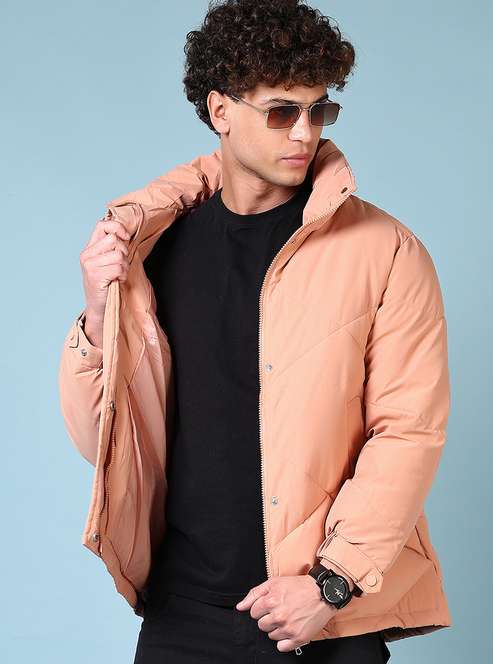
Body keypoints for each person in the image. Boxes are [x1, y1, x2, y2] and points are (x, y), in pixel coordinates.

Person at [59, 1, 451, 662]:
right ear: (220, 111)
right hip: (184, 609)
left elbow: (407, 431)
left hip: (323, 616)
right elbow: (101, 440)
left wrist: (330, 585)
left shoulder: (386, 251)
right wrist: (99, 315)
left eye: (319, 111)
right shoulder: (152, 250)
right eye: (280, 111)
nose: (304, 133)